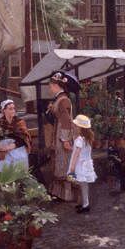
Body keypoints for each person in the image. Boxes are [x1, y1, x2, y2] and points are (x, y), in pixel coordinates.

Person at [47, 71, 76, 201]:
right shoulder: (59, 99)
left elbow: (66, 121)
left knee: (64, 164)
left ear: (56, 86)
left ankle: (68, 195)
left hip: (63, 135)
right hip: (58, 133)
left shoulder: (63, 100)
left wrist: (65, 139)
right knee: (59, 163)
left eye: (51, 85)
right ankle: (60, 194)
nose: (50, 88)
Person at [0, 99, 32, 172]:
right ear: (4, 110)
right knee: (2, 163)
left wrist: (9, 147)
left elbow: (24, 138)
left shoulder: (20, 122)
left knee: (17, 166)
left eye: (14, 108)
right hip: (2, 151)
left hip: (17, 149)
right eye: (10, 109)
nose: (13, 111)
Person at [67, 114, 97, 213]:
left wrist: (71, 168)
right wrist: (70, 148)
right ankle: (84, 203)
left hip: (80, 166)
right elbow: (81, 151)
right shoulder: (87, 139)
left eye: (76, 126)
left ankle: (85, 205)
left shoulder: (79, 140)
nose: (75, 127)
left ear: (80, 128)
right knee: (82, 185)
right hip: (86, 164)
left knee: (81, 185)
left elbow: (76, 155)